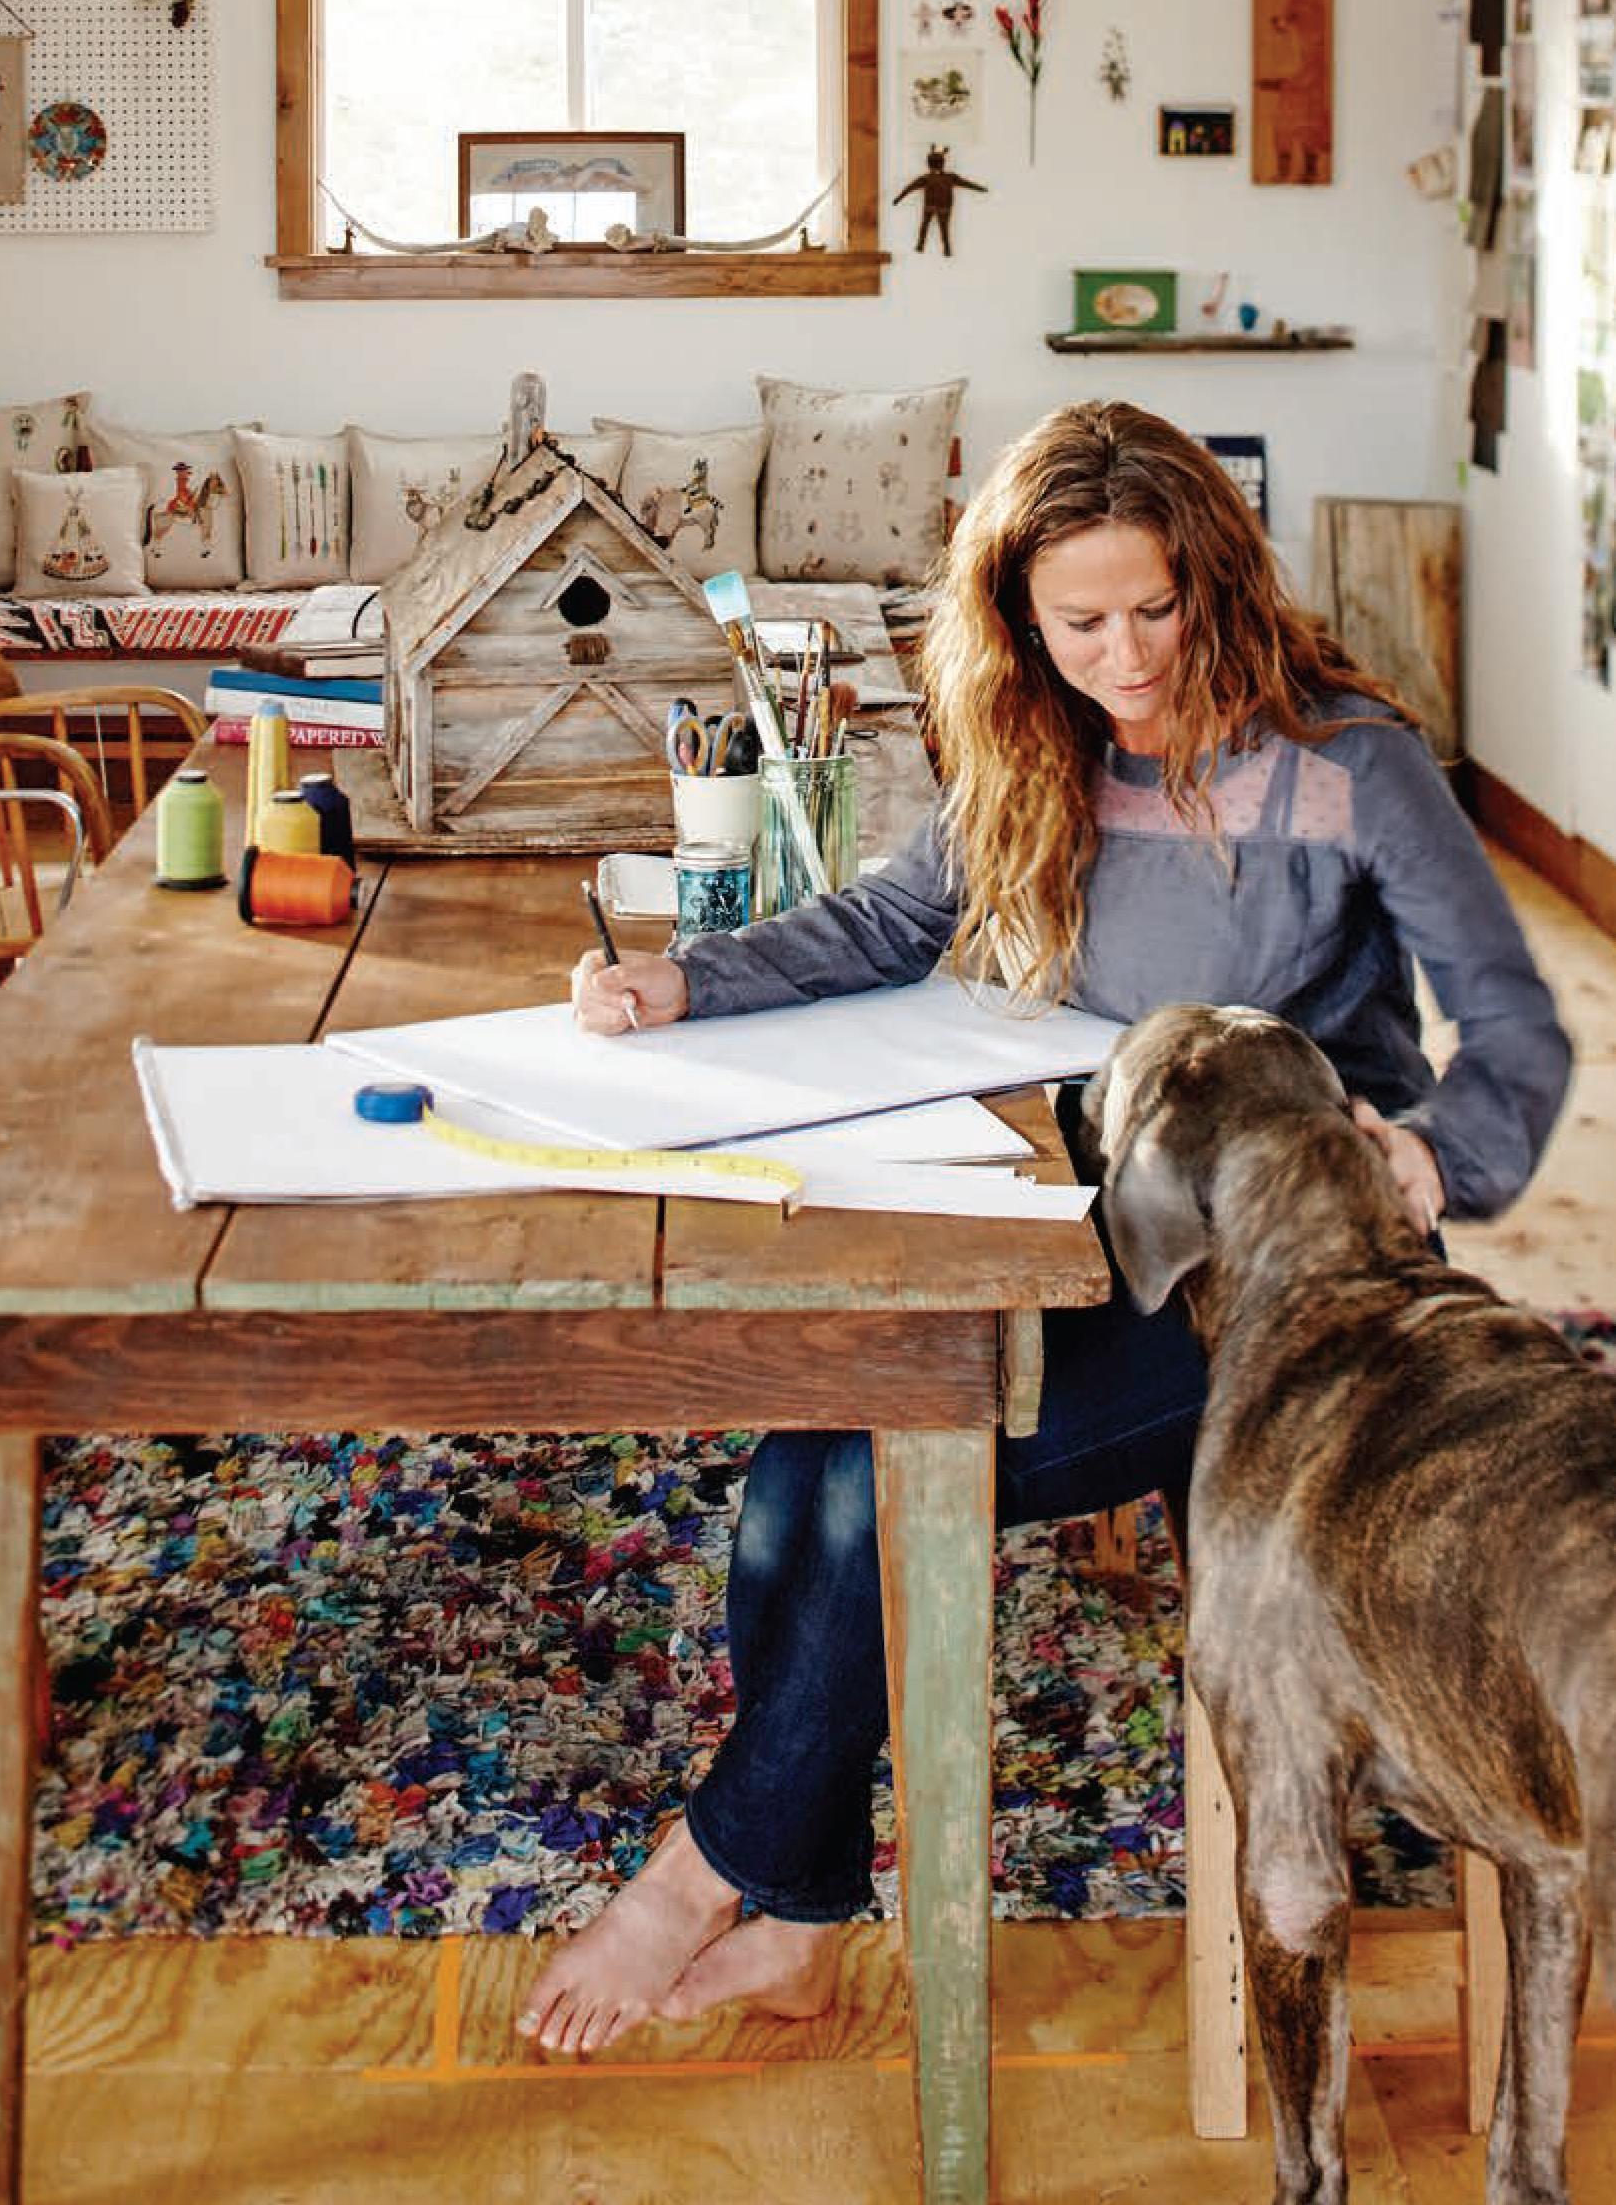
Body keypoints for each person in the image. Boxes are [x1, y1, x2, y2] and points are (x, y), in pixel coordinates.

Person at [518, 399, 1571, 2057]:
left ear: (1215, 577)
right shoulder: (1041, 740)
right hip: (1084, 1225)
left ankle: (702, 1875)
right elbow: (892, 914)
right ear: (1018, 620)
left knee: (884, 1466)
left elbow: (1517, 1034)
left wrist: (1423, 1159)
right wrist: (684, 980)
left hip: (1291, 1287)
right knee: (808, 1451)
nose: (1124, 652)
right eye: (1077, 621)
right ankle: (796, 1914)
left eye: (1153, 607)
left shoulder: (1352, 763)